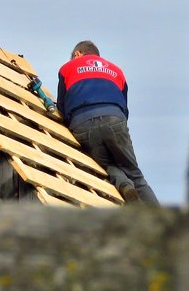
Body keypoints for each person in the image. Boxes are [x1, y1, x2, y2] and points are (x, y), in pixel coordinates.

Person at [56, 41, 159, 205]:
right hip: (114, 119)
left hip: (82, 122)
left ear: (77, 54)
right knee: (134, 173)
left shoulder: (67, 68)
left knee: (104, 165)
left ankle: (124, 185)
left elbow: (61, 107)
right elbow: (124, 109)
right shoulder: (117, 71)